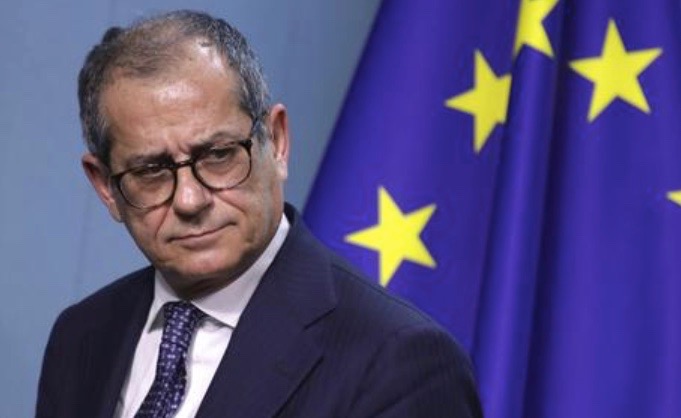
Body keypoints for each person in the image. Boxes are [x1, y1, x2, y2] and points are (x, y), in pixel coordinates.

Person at [36, 10, 483, 418]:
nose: (190, 200)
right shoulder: (81, 337)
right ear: (106, 187)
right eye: (150, 171)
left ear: (278, 141)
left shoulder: (399, 361)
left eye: (218, 155)